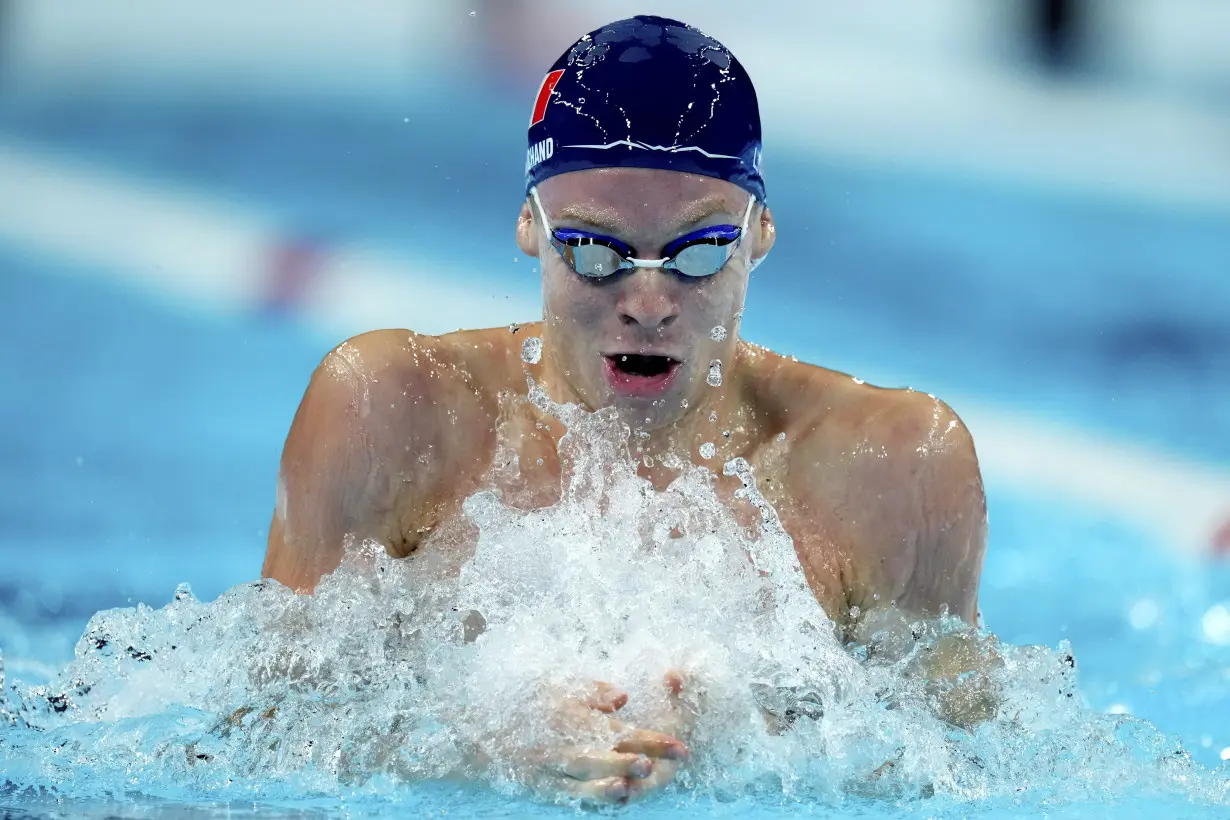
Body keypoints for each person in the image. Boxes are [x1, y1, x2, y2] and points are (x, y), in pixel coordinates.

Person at [262, 15, 989, 805]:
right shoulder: (392, 410)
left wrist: (756, 739)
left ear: (762, 232)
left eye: (700, 251)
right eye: (595, 252)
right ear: (529, 228)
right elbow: (255, 728)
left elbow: (958, 774)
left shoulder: (895, 466)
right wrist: (479, 741)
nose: (647, 302)